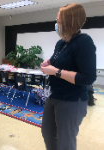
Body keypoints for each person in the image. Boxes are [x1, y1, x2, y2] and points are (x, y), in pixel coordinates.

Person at [40, 3, 96, 150]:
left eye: (59, 21)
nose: (56, 24)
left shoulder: (84, 42)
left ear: (70, 21)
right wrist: (48, 63)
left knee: (66, 141)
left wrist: (56, 72)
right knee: (47, 132)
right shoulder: (62, 42)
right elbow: (57, 62)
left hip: (71, 100)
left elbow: (88, 77)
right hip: (54, 95)